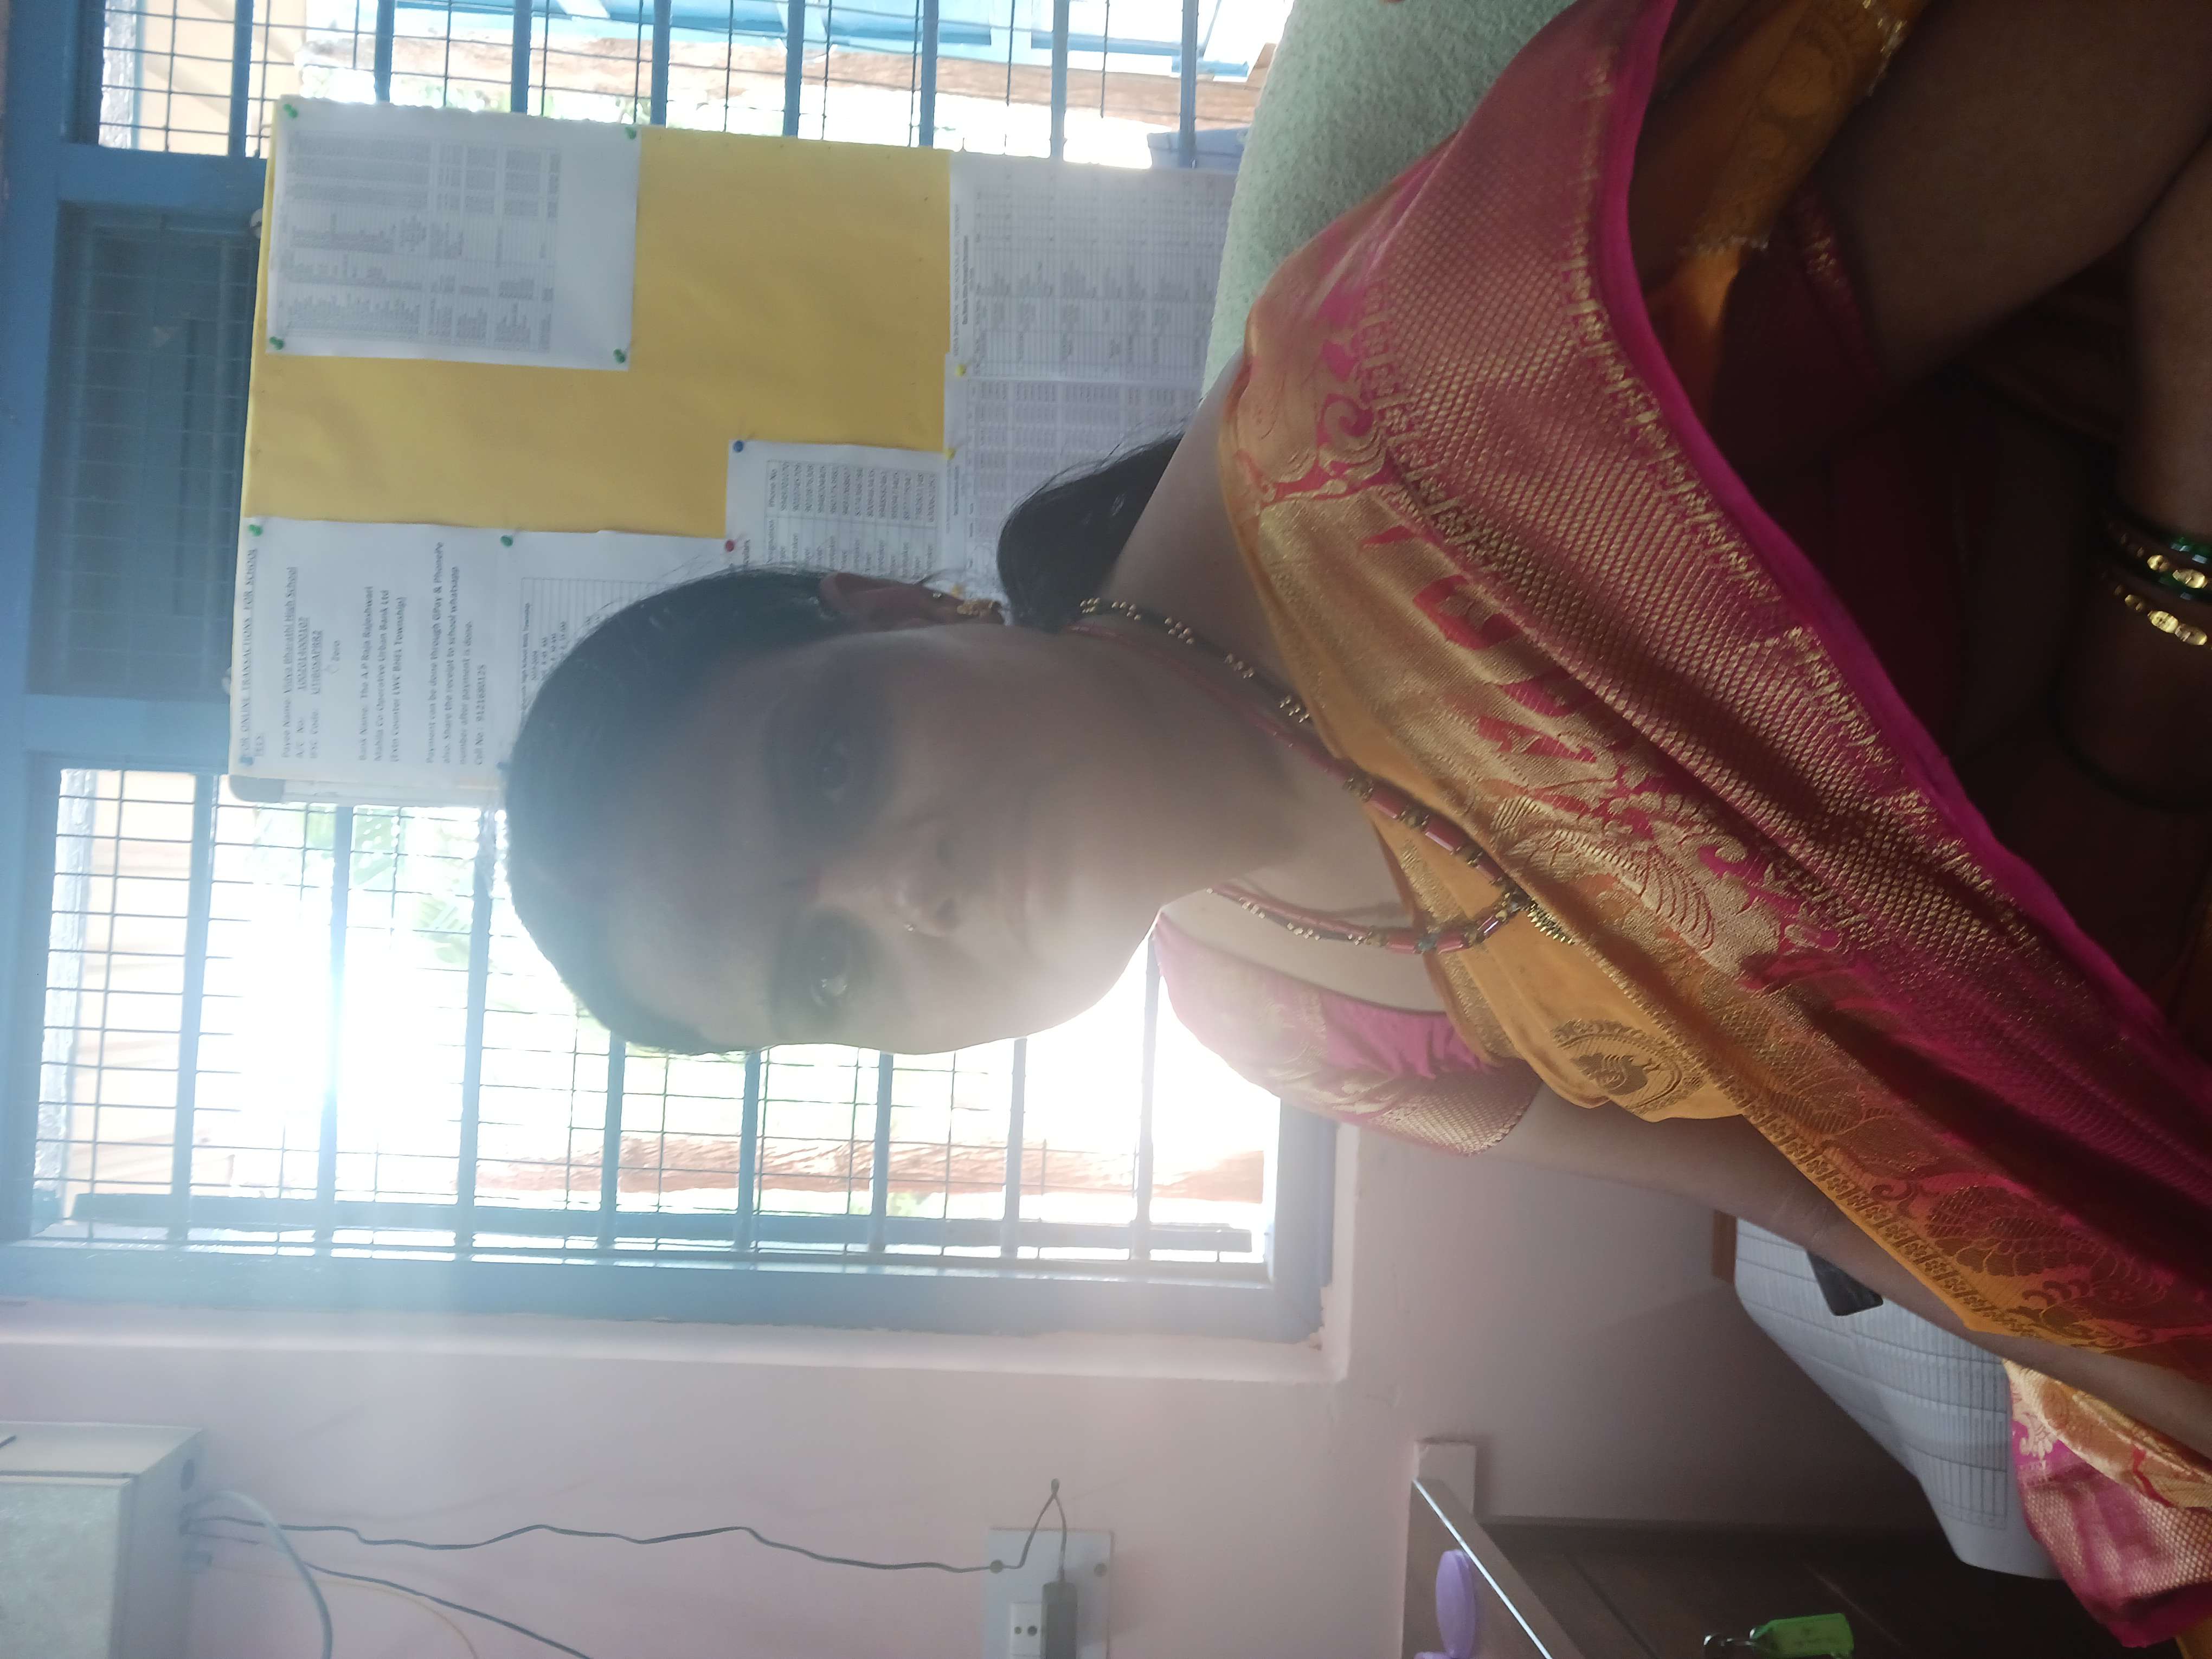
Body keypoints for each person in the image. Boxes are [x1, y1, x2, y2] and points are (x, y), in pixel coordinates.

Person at [506, 0, 2212, 1639]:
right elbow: (1840, 1192)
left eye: (830, 770)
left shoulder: (1427, 414)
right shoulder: (1269, 1016)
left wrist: (2135, 726)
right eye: (825, 971)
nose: (911, 894)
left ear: (893, 605)